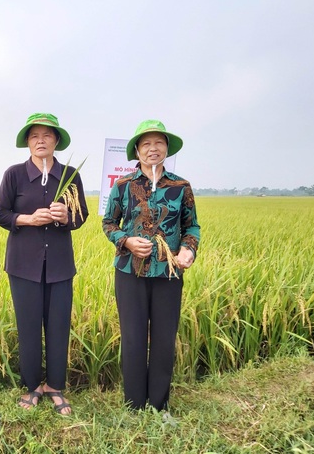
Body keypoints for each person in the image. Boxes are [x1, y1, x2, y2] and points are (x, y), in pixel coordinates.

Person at [102, 119, 200, 415]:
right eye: (146, 144)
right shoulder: (123, 186)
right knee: (132, 337)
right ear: (137, 151)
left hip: (169, 273)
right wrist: (127, 240)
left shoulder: (181, 187)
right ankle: (133, 404)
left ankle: (159, 404)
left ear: (167, 149)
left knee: (163, 338)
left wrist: (189, 250)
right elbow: (108, 224)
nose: (152, 149)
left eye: (158, 143)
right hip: (129, 272)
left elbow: (191, 226)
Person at [0, 113, 89, 415]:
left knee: (59, 326)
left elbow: (81, 215)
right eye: (34, 136)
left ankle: (56, 387)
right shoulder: (14, 174)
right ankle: (33, 386)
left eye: (47, 136)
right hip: (23, 266)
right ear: (28, 142)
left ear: (56, 141)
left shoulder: (70, 175)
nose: (41, 141)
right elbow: (0, 213)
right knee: (29, 327)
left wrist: (66, 217)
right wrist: (28, 219)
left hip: (59, 266)